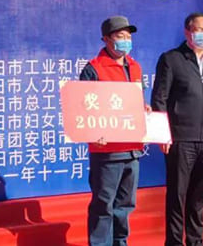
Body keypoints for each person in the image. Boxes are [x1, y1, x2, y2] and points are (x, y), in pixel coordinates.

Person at [151, 12, 203, 246]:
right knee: (177, 195)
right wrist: (162, 134)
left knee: (199, 197)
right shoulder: (172, 59)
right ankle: (174, 242)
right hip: (180, 139)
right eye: (199, 29)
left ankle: (195, 241)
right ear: (187, 32)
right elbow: (159, 98)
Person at [79, 15, 148, 246]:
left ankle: (120, 243)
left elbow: (136, 101)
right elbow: (82, 108)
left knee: (125, 205)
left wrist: (145, 109)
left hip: (133, 148)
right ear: (106, 39)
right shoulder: (93, 69)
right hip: (107, 151)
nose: (126, 41)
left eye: (128, 36)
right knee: (103, 204)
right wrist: (92, 133)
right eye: (120, 36)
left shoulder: (135, 67)